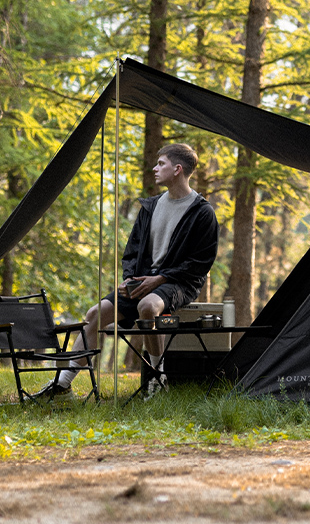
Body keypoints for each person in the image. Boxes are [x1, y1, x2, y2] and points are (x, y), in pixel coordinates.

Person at [37, 142, 219, 398]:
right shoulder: (151, 207)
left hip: (179, 282)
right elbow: (132, 251)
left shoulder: (202, 212)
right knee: (95, 312)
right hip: (142, 281)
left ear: (177, 169)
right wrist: (129, 280)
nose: (155, 168)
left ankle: (158, 377)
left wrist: (160, 279)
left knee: (148, 307)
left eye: (161, 164)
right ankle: (63, 384)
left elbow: (201, 262)